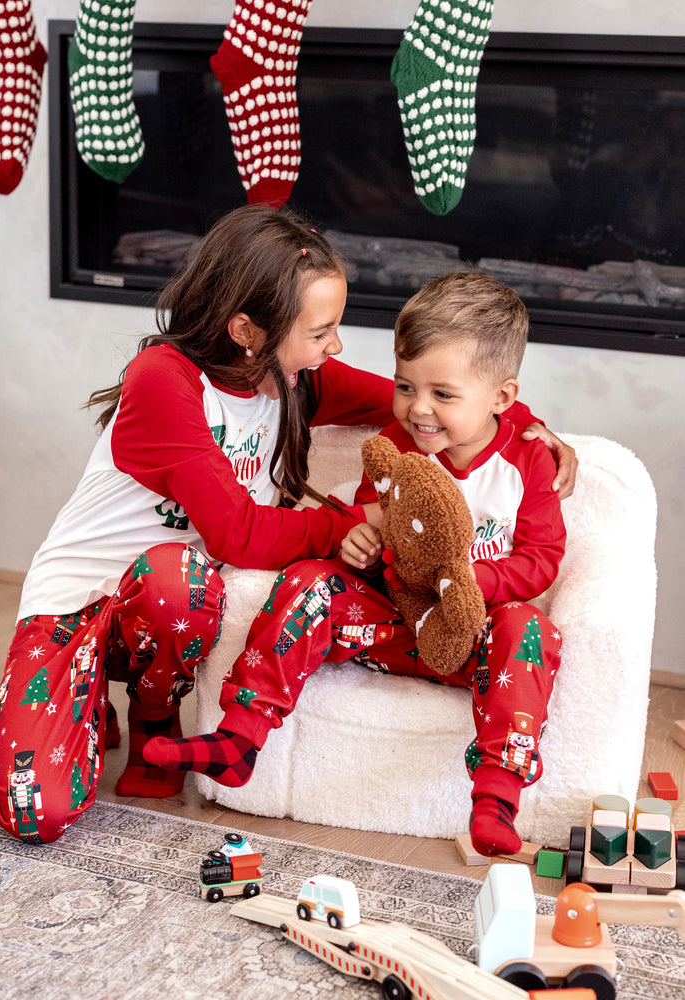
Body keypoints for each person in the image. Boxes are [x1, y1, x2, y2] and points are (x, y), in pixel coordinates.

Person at [0, 205, 572, 845]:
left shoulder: (293, 379)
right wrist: (356, 523)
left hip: (168, 600)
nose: (335, 348)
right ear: (247, 330)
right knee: (32, 813)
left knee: (178, 579)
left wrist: (531, 434)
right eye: (321, 331)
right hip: (80, 598)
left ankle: (153, 717)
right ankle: (90, 693)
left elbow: (433, 397)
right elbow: (237, 535)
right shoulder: (163, 380)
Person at [143, 271, 566, 858]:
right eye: (405, 385)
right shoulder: (393, 447)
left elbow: (541, 561)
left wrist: (469, 582)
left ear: (501, 397)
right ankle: (239, 737)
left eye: (443, 395)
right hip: (390, 626)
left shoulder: (527, 462)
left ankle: (496, 795)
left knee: (530, 630)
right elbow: (368, 520)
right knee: (309, 579)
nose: (419, 410)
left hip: (472, 639)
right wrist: (359, 545)